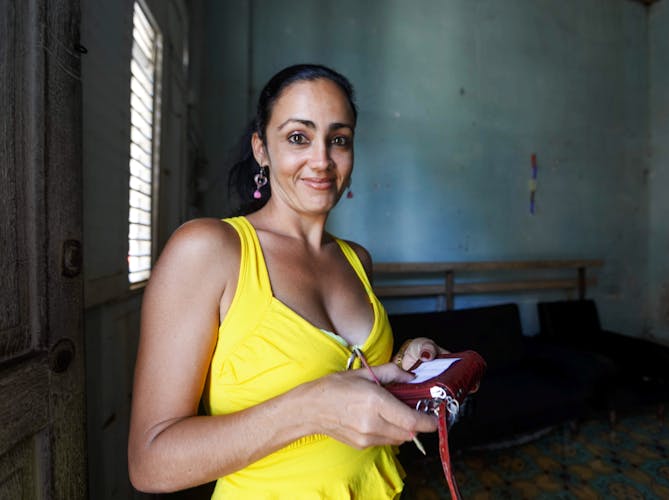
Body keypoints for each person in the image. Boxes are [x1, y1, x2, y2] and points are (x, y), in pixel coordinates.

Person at [128, 64, 447, 499]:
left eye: (338, 139)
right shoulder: (210, 249)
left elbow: (359, 379)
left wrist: (411, 362)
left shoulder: (356, 260)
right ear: (262, 148)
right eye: (299, 137)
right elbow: (150, 463)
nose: (321, 160)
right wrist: (312, 409)